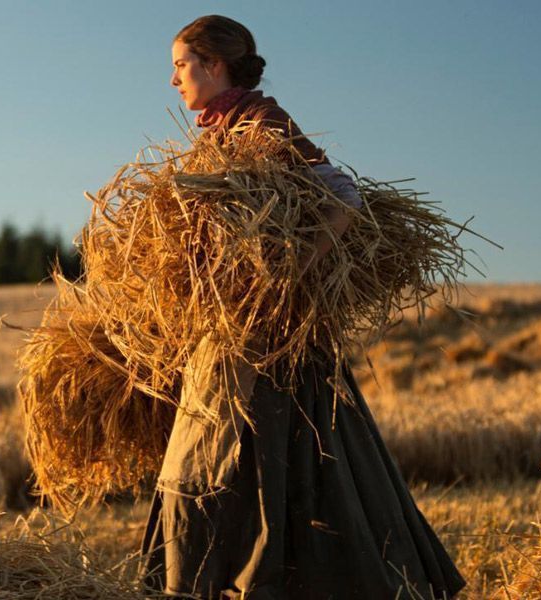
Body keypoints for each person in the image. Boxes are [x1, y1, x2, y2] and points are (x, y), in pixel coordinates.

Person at [138, 15, 468, 599]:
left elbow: (344, 196)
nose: (173, 79)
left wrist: (295, 269)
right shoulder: (218, 133)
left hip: (273, 343)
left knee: (276, 467)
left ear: (214, 65)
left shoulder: (261, 123)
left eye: (180, 65)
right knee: (204, 465)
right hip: (229, 332)